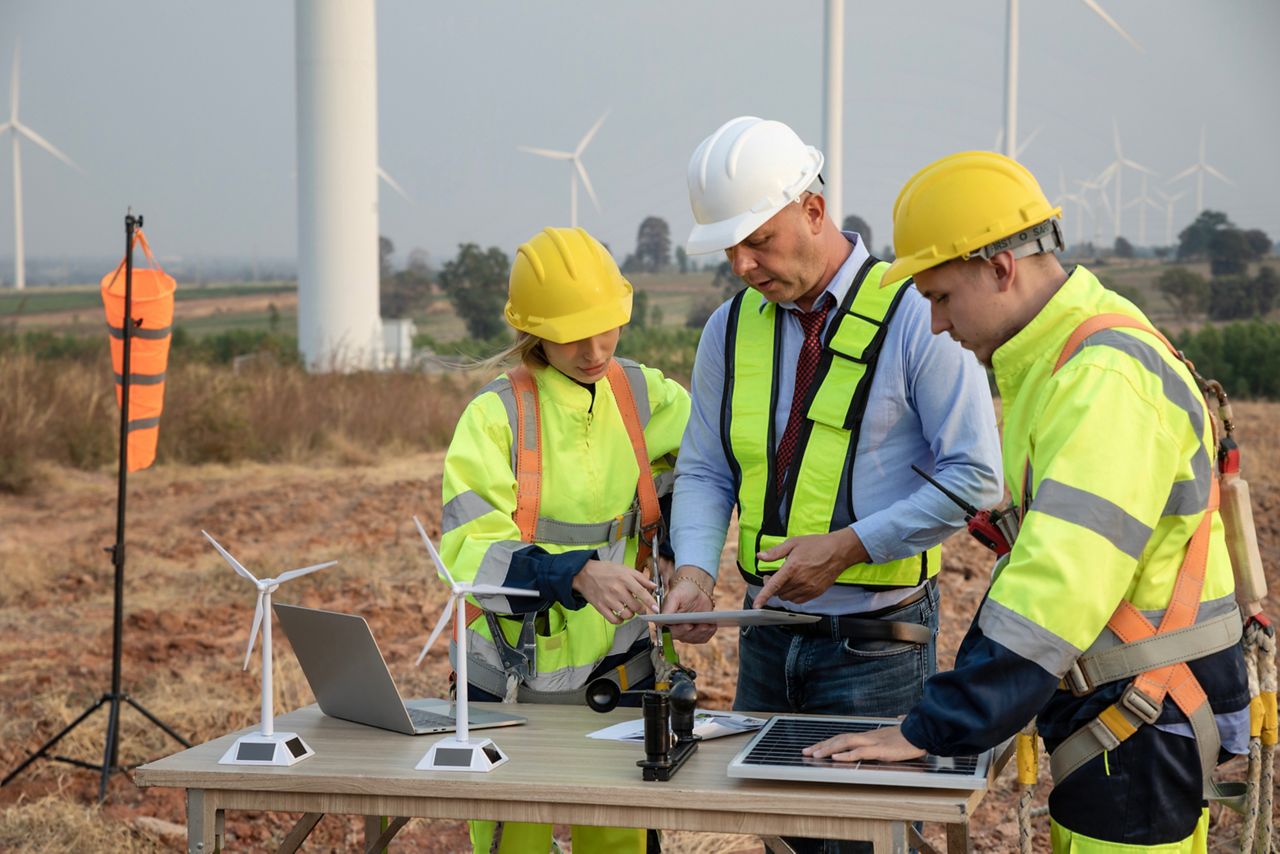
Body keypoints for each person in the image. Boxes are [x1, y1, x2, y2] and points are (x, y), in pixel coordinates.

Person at [805, 151, 1251, 853]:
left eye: (941, 297)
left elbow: (1055, 586)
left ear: (1001, 268)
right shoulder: (1064, 357)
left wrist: (934, 729)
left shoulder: (1102, 378)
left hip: (1140, 718)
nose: (938, 325)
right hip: (1123, 709)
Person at [664, 116, 1003, 853]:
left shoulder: (916, 313)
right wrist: (693, 568)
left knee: (859, 843)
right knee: (782, 840)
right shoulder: (728, 327)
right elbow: (704, 467)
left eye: (759, 241)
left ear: (813, 211)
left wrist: (848, 548)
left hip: (876, 648)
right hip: (764, 638)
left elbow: (977, 476)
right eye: (731, 249)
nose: (744, 264)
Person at [439, 226, 690, 854]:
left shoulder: (644, 394)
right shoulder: (493, 416)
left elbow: (716, 468)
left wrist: (693, 567)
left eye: (607, 325)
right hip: (508, 683)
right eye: (574, 333)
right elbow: (471, 550)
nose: (595, 347)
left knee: (622, 840)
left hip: (618, 671)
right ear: (533, 331)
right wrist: (575, 573)